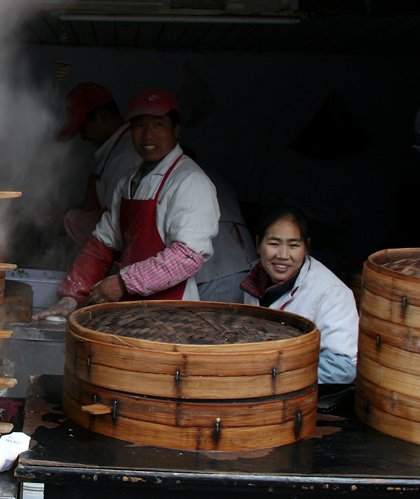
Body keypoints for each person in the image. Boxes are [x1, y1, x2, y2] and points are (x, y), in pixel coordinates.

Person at [34, 88, 220, 319]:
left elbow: (187, 257)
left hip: (170, 313)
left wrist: (124, 282)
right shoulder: (129, 181)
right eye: (140, 125)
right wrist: (72, 296)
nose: (148, 135)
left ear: (176, 130)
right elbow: (103, 243)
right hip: (129, 310)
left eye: (159, 125)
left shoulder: (191, 181)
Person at [240, 204, 358, 384]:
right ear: (258, 244)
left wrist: (274, 377)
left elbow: (342, 368)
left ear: (307, 248)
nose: (283, 255)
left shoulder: (332, 292)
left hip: (302, 396)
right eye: (274, 244)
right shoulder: (253, 279)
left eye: (293, 245)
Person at [57, 83, 142, 246]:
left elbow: (115, 219)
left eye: (83, 129)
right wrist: (76, 209)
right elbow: (107, 202)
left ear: (102, 116)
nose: (83, 137)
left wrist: (70, 220)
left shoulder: (125, 157)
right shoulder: (113, 150)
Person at [194, 168, 256, 303]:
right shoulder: (217, 177)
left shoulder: (192, 175)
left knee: (211, 320)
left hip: (220, 264)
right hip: (244, 259)